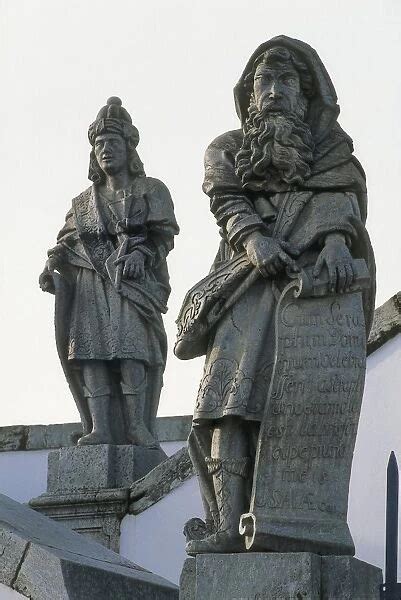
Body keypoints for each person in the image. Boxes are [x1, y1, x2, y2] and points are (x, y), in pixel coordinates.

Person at [176, 36, 375, 554]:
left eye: (286, 80)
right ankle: (224, 523)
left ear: (308, 93)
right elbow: (224, 198)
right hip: (243, 287)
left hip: (304, 301)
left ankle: (285, 518)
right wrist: (255, 239)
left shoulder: (333, 151)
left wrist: (336, 241)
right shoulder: (227, 147)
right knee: (227, 406)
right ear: (249, 92)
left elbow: (343, 201)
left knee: (288, 407)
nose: (274, 91)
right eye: (264, 81)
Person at [39, 97, 179, 447]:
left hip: (130, 285)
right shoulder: (83, 203)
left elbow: (164, 236)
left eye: (112, 143)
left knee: (132, 351)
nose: (105, 150)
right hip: (89, 284)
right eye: (99, 145)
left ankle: (136, 425)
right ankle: (99, 427)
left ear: (128, 148)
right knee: (90, 353)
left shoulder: (152, 189)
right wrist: (51, 266)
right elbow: (67, 241)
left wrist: (143, 253)